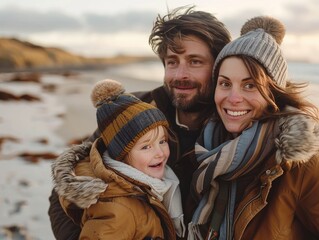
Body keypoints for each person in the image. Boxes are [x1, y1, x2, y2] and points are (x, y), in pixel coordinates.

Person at [48, 5, 231, 240]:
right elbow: (66, 190)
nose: (179, 75)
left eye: (195, 62)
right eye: (172, 62)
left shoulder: (236, 125)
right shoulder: (133, 110)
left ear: (218, 68)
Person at [188, 16, 319, 240]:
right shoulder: (203, 148)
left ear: (273, 93)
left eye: (250, 85)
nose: (233, 98)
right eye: (225, 83)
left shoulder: (301, 166)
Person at [52, 79, 185, 239]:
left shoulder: (148, 186)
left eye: (162, 141)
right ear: (121, 155)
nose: (160, 153)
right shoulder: (119, 209)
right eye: (146, 147)